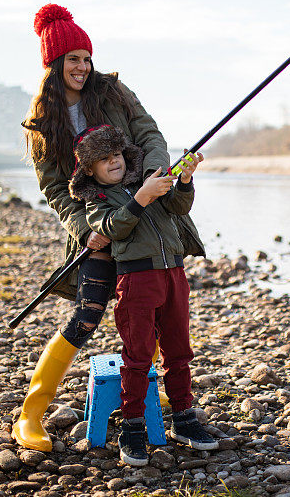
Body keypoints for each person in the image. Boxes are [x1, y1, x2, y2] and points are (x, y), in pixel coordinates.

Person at [13, 3, 171, 452]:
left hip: (141, 216)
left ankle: (140, 396)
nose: (82, 66)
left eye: (87, 57)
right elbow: (54, 190)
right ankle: (29, 414)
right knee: (86, 315)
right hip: (98, 225)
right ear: (54, 63)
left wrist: (156, 176)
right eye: (73, 59)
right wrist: (84, 230)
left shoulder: (116, 92)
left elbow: (150, 134)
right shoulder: (43, 120)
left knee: (151, 312)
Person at [68, 124, 217, 465]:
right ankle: (132, 427)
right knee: (137, 356)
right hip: (136, 280)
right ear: (90, 169)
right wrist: (141, 198)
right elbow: (115, 227)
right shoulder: (97, 201)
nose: (114, 162)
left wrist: (184, 181)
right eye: (104, 159)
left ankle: (184, 419)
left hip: (174, 275)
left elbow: (179, 208)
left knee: (179, 351)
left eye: (117, 154)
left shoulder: (145, 182)